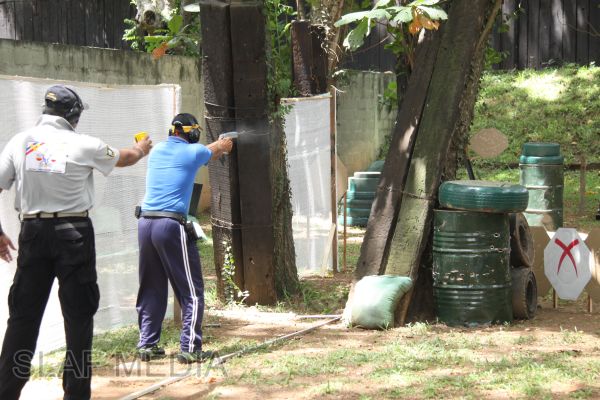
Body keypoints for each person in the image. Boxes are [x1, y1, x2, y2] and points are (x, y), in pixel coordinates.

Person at [0, 84, 153, 400]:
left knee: (23, 318)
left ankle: (6, 391)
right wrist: (141, 149)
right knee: (79, 318)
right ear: (74, 115)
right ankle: (76, 393)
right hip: (74, 233)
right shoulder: (84, 143)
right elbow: (124, 158)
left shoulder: (20, 142)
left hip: (33, 233)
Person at [135, 113, 232, 364]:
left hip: (145, 223)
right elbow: (213, 150)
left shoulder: (158, 151)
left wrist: (218, 147)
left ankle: (147, 344)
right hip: (170, 225)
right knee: (192, 290)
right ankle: (190, 348)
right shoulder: (194, 151)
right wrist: (224, 145)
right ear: (193, 133)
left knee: (151, 286)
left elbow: (204, 154)